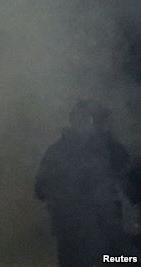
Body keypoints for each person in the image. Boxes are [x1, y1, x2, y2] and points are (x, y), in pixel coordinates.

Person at [37, 100, 133, 266]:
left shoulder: (111, 150)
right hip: (80, 231)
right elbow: (41, 188)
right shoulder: (59, 152)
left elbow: (130, 185)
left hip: (96, 230)